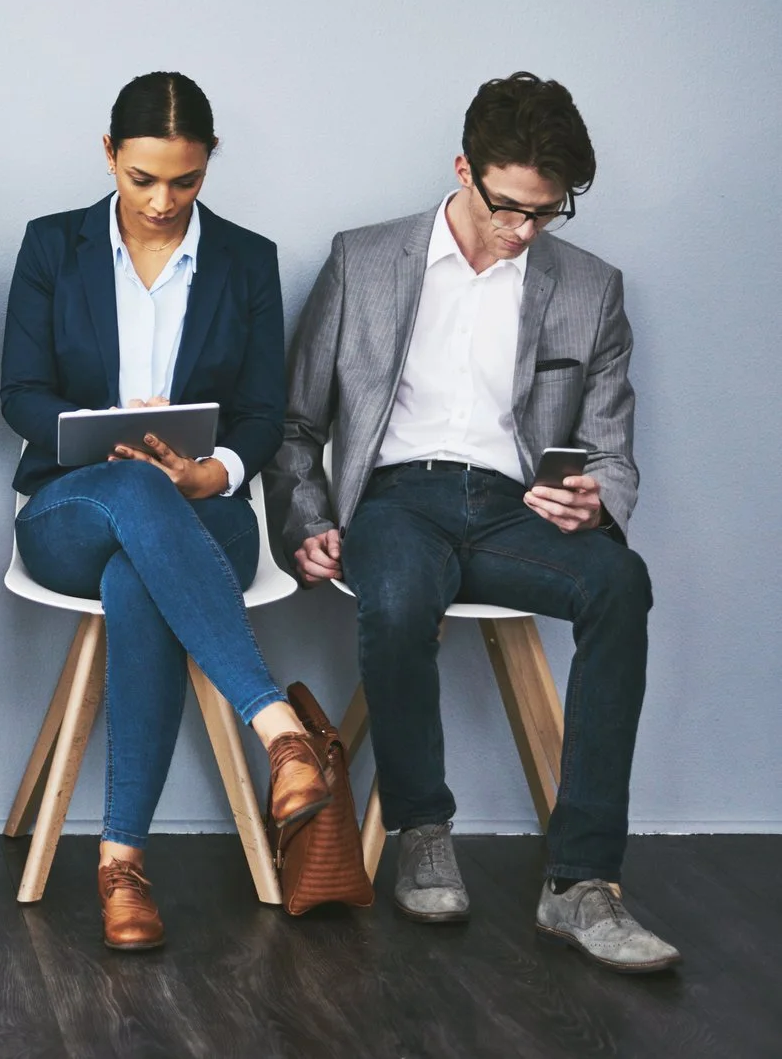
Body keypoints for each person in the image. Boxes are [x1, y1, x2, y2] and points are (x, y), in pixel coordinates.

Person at [271, 73, 676, 972]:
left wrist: (595, 497)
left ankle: (581, 881)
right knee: (403, 589)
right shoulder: (364, 259)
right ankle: (422, 827)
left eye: (545, 213)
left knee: (622, 581)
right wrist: (303, 517)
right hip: (393, 499)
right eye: (507, 207)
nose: (523, 229)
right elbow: (296, 425)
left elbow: (612, 448)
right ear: (463, 168)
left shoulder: (591, 287)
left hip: (510, 509)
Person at [0, 71, 330, 951]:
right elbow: (19, 393)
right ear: (108, 154)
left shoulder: (247, 260)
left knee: (139, 571)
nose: (161, 199)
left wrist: (213, 471)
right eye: (142, 177)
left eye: (184, 180)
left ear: (209, 164)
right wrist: (96, 442)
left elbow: (264, 413)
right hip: (68, 505)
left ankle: (121, 864)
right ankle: (279, 729)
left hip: (204, 512)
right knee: (131, 501)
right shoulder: (50, 247)